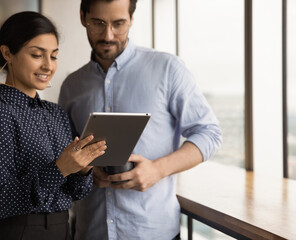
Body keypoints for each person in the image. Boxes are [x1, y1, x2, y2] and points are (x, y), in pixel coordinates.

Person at [58, 0, 222, 239]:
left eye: (119, 24)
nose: (108, 34)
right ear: (83, 17)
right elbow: (63, 153)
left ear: (132, 19)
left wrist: (157, 169)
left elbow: (209, 133)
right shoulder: (72, 85)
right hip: (91, 232)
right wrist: (85, 173)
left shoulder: (168, 69)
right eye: (98, 23)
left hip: (153, 232)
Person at [0, 11, 107, 240]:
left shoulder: (56, 114)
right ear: (7, 53)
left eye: (53, 56)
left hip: (62, 228)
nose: (48, 66)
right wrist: (60, 168)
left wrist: (82, 168)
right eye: (37, 55)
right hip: (18, 232)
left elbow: (76, 192)